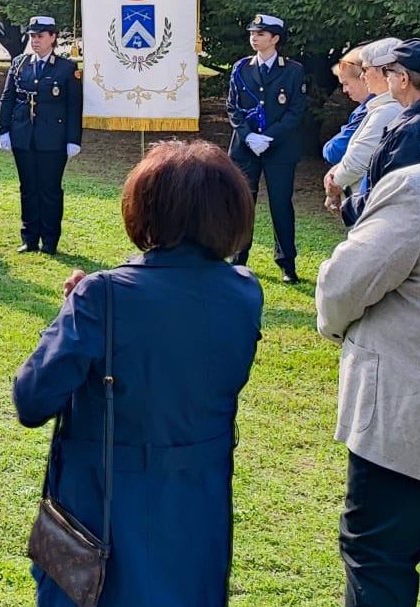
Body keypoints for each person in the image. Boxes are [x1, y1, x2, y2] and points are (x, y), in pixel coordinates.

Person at [14, 139, 260, 606]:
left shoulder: (103, 297)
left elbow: (32, 398)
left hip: (105, 507)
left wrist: (76, 310)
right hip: (199, 506)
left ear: (145, 209)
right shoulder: (245, 293)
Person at [316, 107, 420, 607]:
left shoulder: (417, 190)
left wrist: (333, 327)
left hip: (410, 417)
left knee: (379, 560)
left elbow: (345, 284)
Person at [225, 13, 307, 283]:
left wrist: (268, 137)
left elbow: (295, 111)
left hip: (279, 148)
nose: (254, 38)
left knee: (280, 204)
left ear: (275, 39)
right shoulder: (241, 68)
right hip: (245, 147)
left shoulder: (292, 70)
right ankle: (238, 257)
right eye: (252, 34)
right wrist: (249, 137)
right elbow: (233, 107)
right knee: (242, 201)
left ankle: (286, 263)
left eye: (260, 34)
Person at [0, 15, 83, 255]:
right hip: (23, 135)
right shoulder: (20, 64)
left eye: (40, 36)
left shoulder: (66, 68)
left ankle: (50, 239)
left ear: (53, 37)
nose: (35, 41)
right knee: (28, 187)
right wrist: (4, 129)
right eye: (32, 36)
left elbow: (73, 106)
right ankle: (30, 237)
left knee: (50, 189)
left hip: (53, 138)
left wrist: (73, 139)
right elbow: (8, 98)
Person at [342, 39, 420, 226]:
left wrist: (350, 207)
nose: (386, 78)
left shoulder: (412, 128)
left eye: (388, 72)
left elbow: (395, 192)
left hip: (398, 229)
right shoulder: (412, 119)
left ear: (403, 79)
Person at [325, 40, 403, 215]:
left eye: (366, 70)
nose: (362, 76)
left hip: (374, 207)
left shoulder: (387, 111)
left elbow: (356, 162)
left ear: (385, 72)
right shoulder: (382, 107)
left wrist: (333, 183)